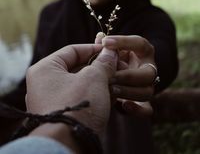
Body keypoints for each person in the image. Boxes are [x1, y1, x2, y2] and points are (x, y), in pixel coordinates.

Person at [0, 0, 178, 153]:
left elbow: (160, 55)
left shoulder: (152, 20)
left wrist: (147, 73)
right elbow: (30, 84)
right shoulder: (51, 15)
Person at [0, 38, 154, 154]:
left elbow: (160, 44)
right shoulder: (50, 15)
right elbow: (25, 89)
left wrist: (150, 70)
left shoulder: (148, 15)